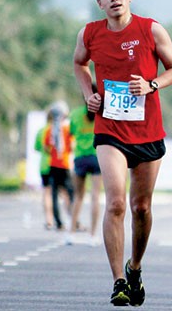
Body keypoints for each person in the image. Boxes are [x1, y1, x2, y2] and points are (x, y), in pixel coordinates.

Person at [73, 0, 172, 306]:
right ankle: (118, 280)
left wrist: (151, 85)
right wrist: (88, 93)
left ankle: (135, 267)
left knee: (141, 207)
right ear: (99, 2)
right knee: (117, 203)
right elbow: (79, 64)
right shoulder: (89, 34)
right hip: (110, 129)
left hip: (147, 131)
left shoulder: (151, 29)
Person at [66, 84, 103, 246]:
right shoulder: (102, 114)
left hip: (80, 158)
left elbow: (71, 133)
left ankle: (71, 233)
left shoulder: (75, 114)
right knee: (95, 196)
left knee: (78, 197)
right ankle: (93, 235)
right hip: (97, 157)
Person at [43, 102, 75, 232]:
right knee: (71, 193)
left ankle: (59, 222)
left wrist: (54, 153)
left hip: (53, 164)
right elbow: (72, 146)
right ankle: (74, 219)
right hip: (65, 164)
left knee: (54, 194)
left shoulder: (49, 130)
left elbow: (46, 147)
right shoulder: (67, 129)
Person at [34, 111, 56, 230]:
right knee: (65, 193)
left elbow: (37, 147)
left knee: (47, 192)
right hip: (59, 164)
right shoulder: (60, 129)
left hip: (44, 165)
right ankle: (74, 220)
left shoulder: (41, 131)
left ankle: (49, 220)